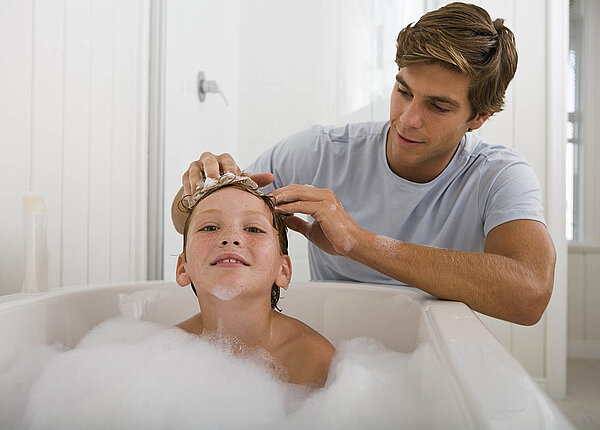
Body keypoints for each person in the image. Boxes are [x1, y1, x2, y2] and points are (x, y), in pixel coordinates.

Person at [172, 3, 556, 326]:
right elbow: (189, 220)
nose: (408, 118)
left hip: (433, 347)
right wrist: (196, 193)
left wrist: (358, 243)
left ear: (479, 117)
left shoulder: (498, 176)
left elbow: (530, 295)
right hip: (336, 343)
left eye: (438, 106)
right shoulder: (320, 151)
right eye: (403, 91)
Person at [175, 174, 335, 387]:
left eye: (253, 229)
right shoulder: (163, 351)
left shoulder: (313, 361)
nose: (231, 238)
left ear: (283, 270)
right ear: (182, 268)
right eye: (210, 227)